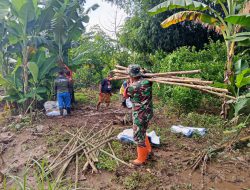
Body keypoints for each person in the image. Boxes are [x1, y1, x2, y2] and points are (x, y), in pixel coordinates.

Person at [124, 64, 153, 166]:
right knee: (143, 131)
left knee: (138, 136)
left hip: (139, 115)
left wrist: (129, 82)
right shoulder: (148, 82)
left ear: (131, 75)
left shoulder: (132, 87)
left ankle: (141, 159)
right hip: (148, 112)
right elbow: (148, 76)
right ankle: (148, 150)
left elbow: (125, 96)